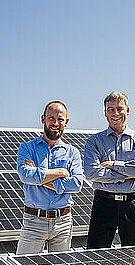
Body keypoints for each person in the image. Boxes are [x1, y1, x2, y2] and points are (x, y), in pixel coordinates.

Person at [84, 91, 135, 248]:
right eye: (111, 109)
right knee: (96, 256)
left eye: (119, 108)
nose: (115, 113)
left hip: (133, 204)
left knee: (134, 255)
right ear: (105, 113)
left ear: (127, 111)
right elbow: (91, 172)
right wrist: (128, 174)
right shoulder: (94, 141)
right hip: (104, 203)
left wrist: (113, 164)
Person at [16, 100, 84, 255]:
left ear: (66, 122)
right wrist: (61, 172)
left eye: (60, 119)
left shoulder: (72, 152)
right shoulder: (27, 148)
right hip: (34, 221)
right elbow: (25, 175)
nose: (55, 123)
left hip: (63, 222)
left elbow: (76, 184)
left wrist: (39, 178)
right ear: (43, 119)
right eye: (51, 118)